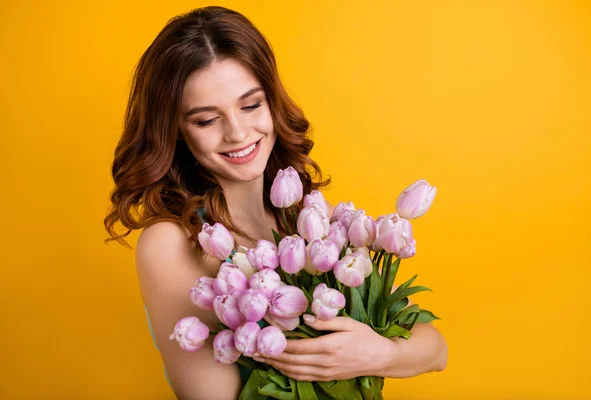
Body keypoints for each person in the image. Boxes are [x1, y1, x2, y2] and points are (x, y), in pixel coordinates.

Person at [104, 6, 447, 400]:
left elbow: (436, 349)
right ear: (176, 131)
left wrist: (377, 354)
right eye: (205, 120)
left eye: (251, 105)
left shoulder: (311, 219)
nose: (237, 132)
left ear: (272, 100)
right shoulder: (172, 243)